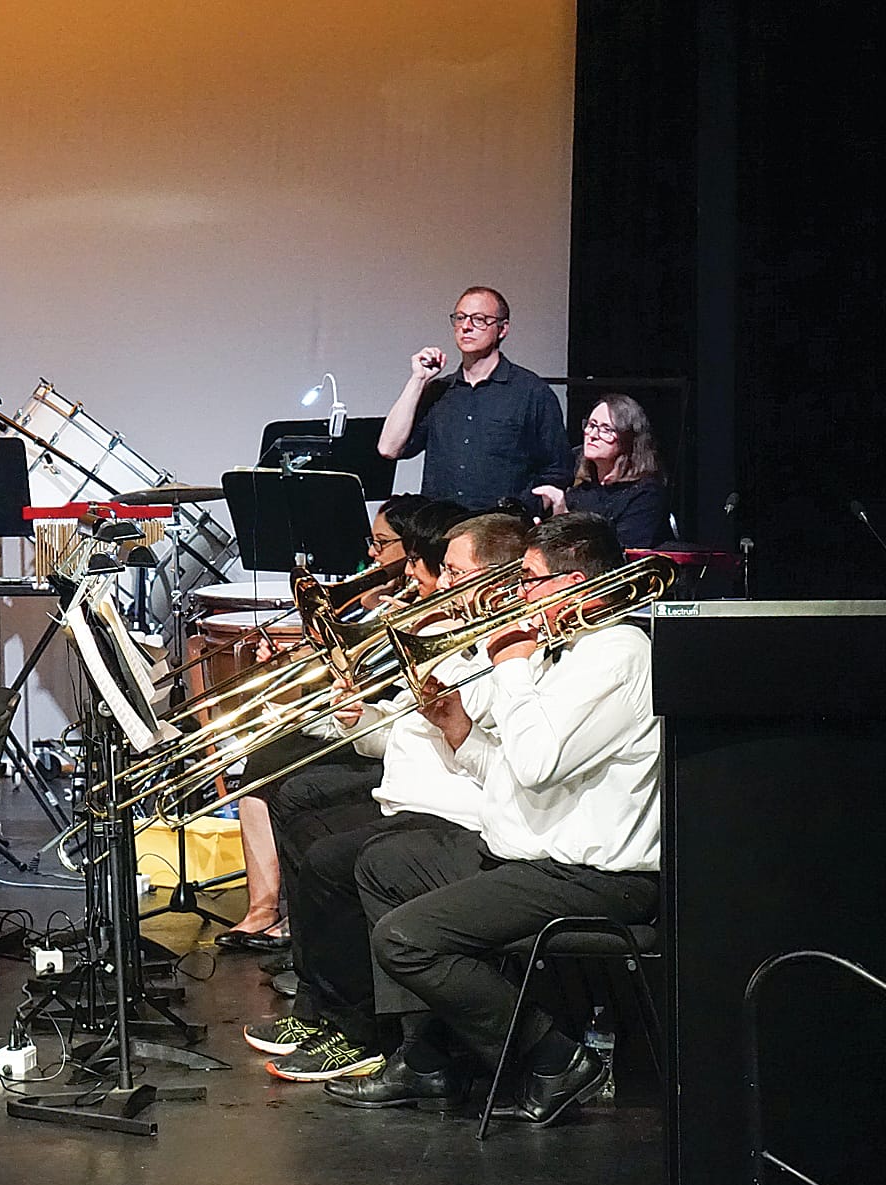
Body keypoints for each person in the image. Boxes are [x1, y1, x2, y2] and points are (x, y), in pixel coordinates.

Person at [329, 514, 659, 1125]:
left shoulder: (618, 656)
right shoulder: (558, 652)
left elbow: (535, 766)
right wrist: (456, 727)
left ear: (575, 584)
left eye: (528, 580)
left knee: (405, 939)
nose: (513, 594)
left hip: (589, 876)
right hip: (527, 854)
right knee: (384, 865)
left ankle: (555, 1059)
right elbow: (508, 772)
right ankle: (427, 1062)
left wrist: (509, 663)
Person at [248, 513, 526, 1082]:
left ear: (493, 582)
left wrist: (447, 719)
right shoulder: (459, 643)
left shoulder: (505, 658)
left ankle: (358, 1032)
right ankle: (321, 1010)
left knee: (333, 858)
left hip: (454, 814)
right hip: (409, 796)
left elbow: (482, 753)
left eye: (454, 572)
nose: (441, 583)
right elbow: (402, 734)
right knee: (301, 812)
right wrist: (362, 716)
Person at [213, 494, 434, 950]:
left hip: (383, 739)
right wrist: (287, 676)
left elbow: (383, 701)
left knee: (285, 775)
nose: (372, 553)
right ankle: (263, 908)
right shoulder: (375, 603)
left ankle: (296, 923)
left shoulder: (410, 611)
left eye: (382, 543)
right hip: (361, 724)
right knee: (262, 760)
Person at [378, 287, 573, 510]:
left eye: (479, 319)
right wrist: (418, 380)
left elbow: (557, 470)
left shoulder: (531, 392)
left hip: (499, 531)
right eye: (460, 318)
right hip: (440, 528)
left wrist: (531, 509)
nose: (466, 326)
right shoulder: (440, 390)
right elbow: (389, 448)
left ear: (502, 329)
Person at [531, 393, 670, 549]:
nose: (593, 435)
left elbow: (621, 554)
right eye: (591, 425)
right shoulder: (580, 488)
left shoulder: (646, 494)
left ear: (628, 438)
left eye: (606, 429)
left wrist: (564, 519)